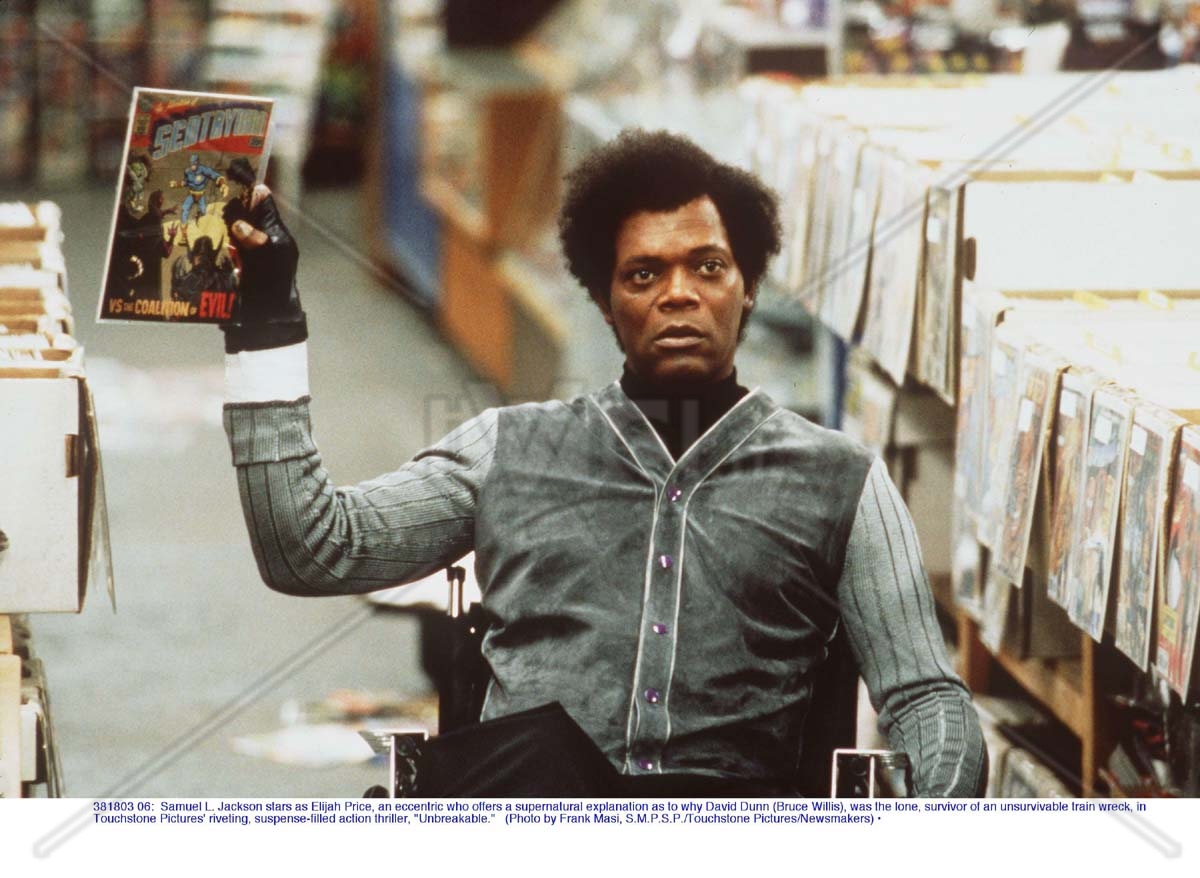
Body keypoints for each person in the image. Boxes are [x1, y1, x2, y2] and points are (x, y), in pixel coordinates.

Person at [219, 129, 986, 797]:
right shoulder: (507, 450)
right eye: (644, 274)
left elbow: (926, 697)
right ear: (605, 299)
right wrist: (266, 320)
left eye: (708, 267)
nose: (678, 294)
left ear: (748, 287)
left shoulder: (841, 480)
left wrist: (934, 826)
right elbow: (308, 548)